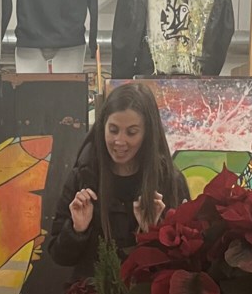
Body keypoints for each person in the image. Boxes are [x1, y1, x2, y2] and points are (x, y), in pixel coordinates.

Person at [47, 81, 189, 282]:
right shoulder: (83, 175)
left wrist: (154, 232)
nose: (120, 141)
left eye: (131, 132)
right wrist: (77, 229)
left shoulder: (170, 180)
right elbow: (59, 256)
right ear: (102, 126)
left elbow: (185, 262)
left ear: (148, 133)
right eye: (113, 130)